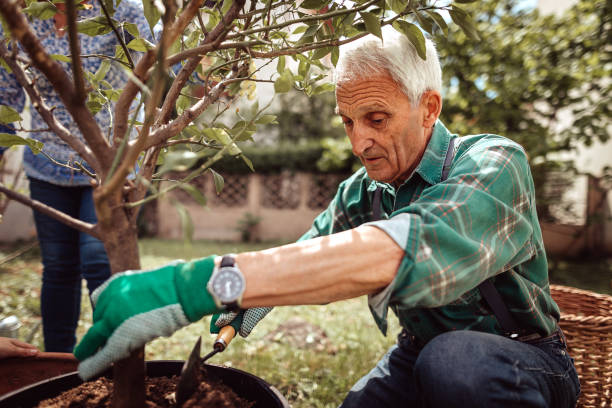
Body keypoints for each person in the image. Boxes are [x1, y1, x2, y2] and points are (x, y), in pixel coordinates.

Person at [73, 30, 580, 407]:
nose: (359, 143)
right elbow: (306, 252)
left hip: (524, 360)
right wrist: (248, 303)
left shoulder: (495, 164)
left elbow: (408, 248)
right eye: (348, 122)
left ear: (428, 108)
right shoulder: (365, 190)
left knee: (453, 362)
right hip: (420, 349)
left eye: (376, 119)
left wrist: (204, 282)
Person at [0, 0, 151, 353]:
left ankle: (114, 362)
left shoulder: (120, 10)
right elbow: (4, 96)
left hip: (109, 163)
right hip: (47, 164)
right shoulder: (16, 16)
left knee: (100, 260)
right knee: (57, 268)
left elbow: (152, 73)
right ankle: (56, 366)